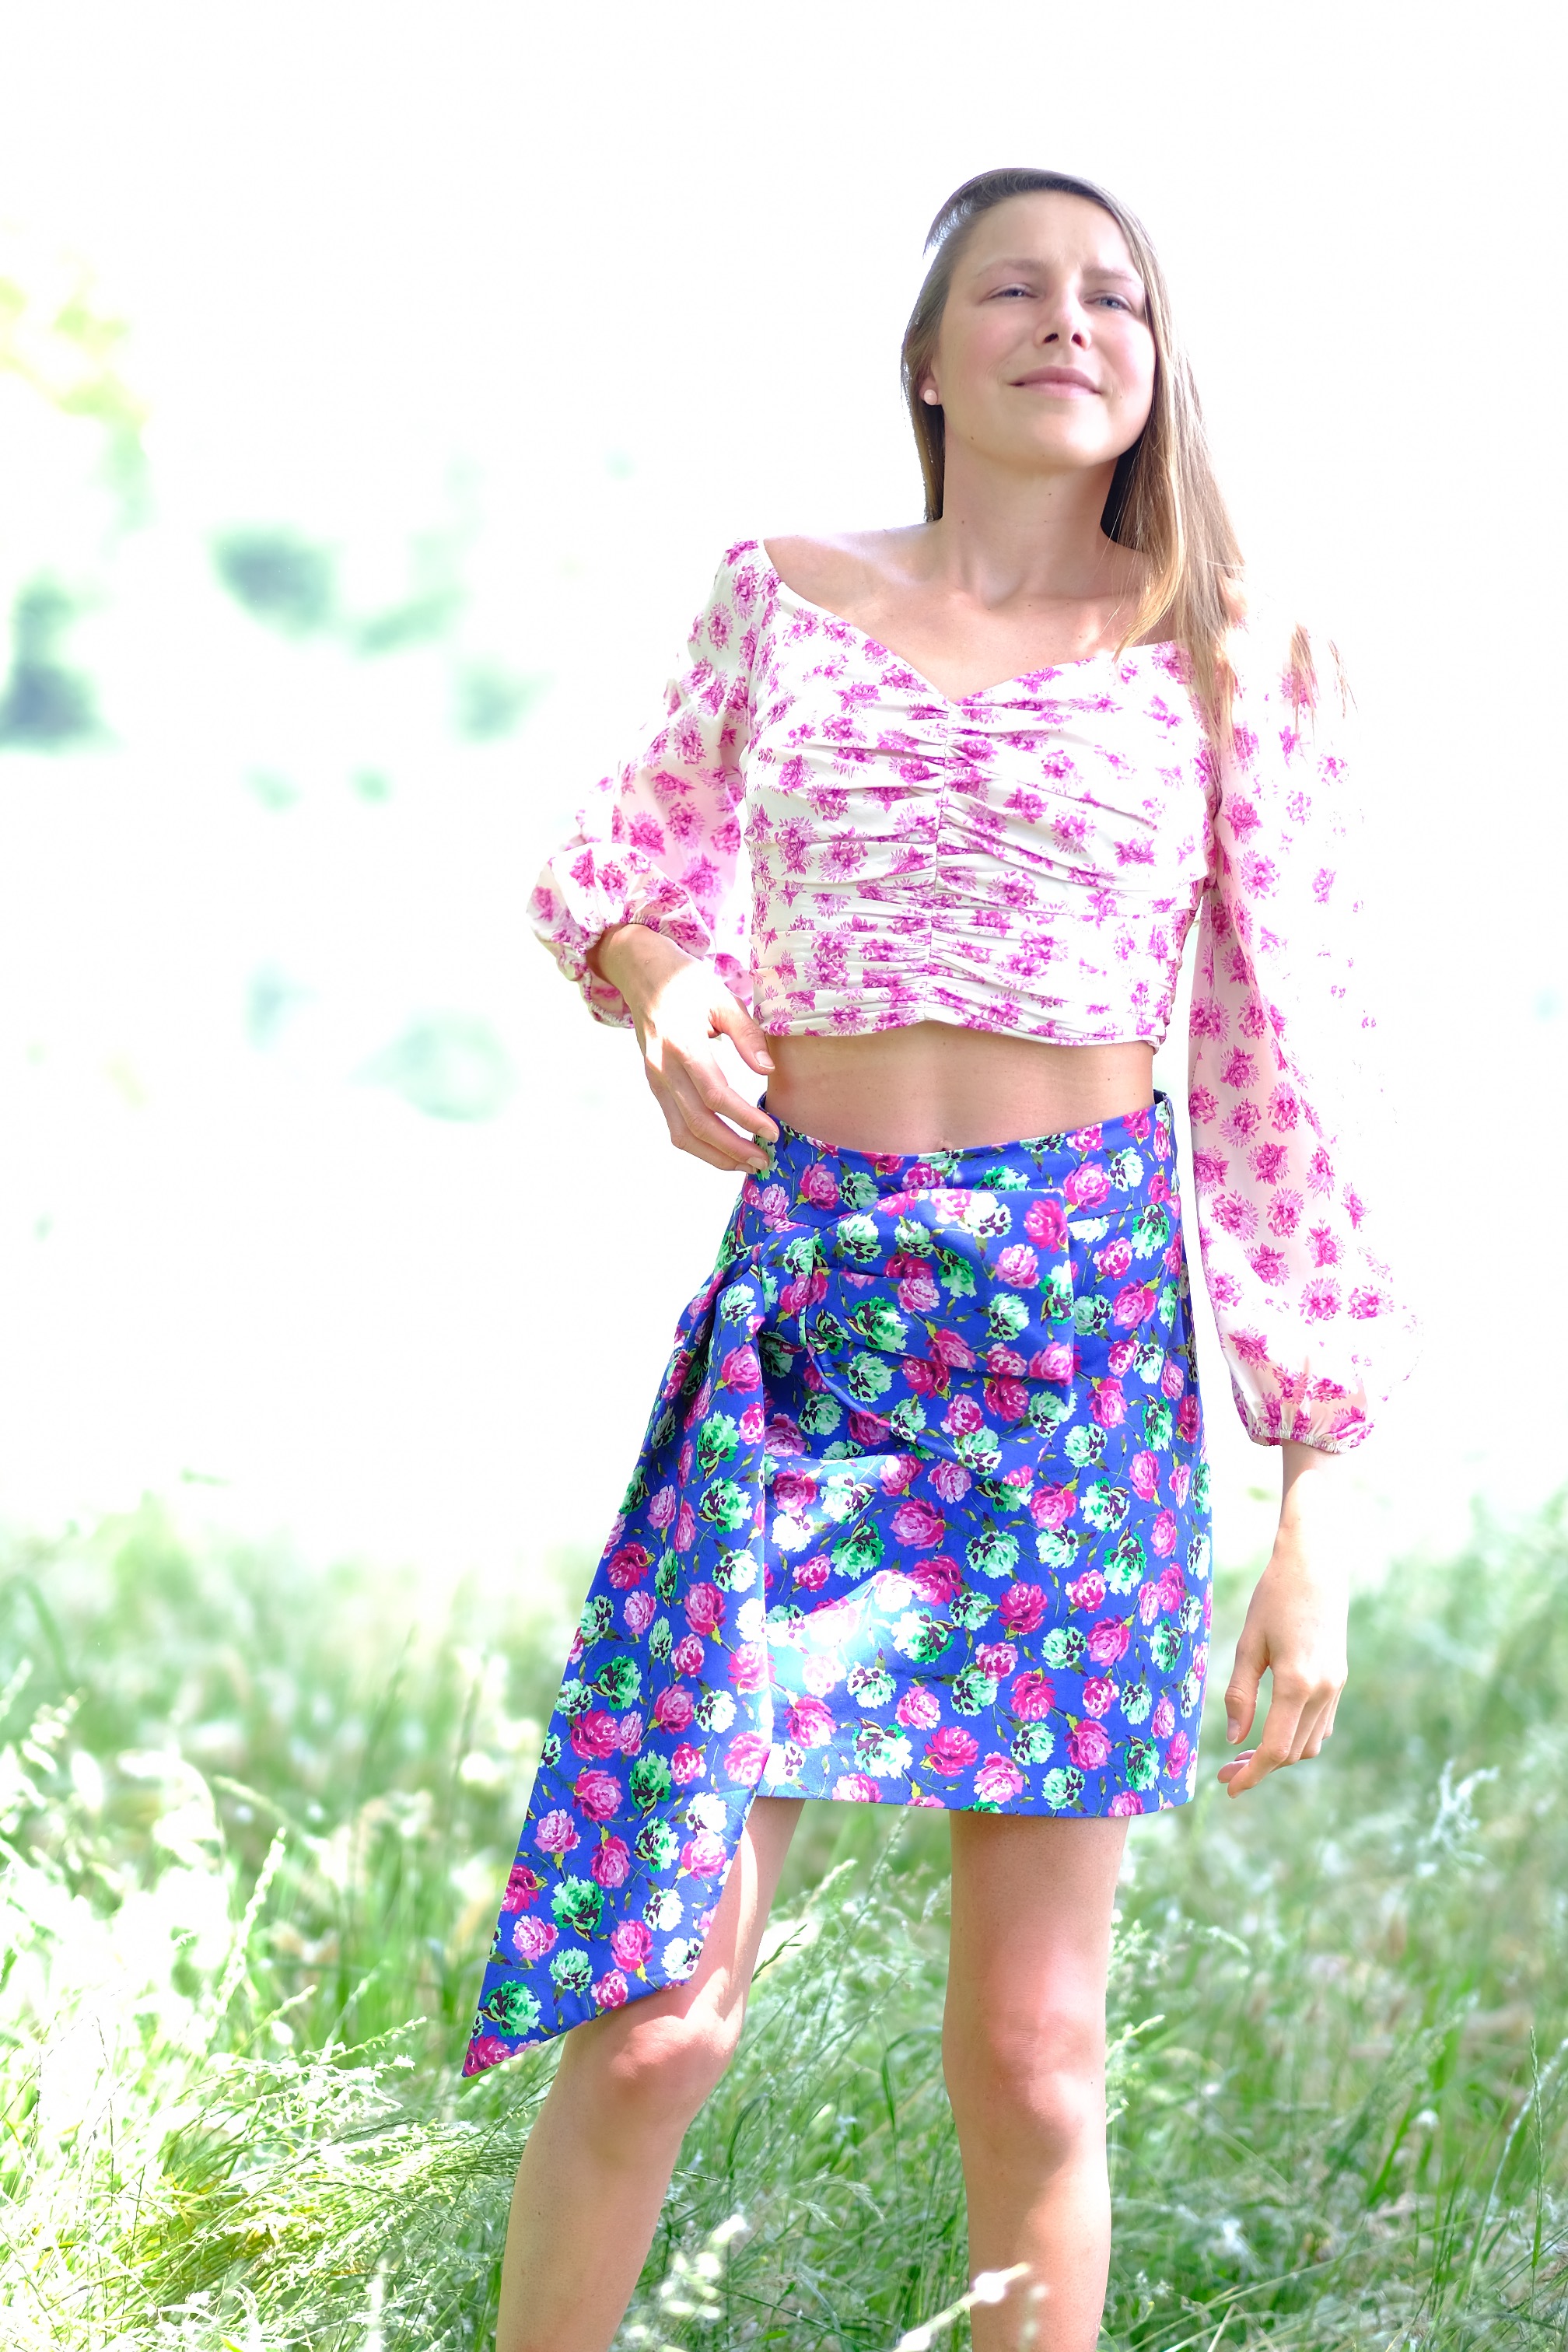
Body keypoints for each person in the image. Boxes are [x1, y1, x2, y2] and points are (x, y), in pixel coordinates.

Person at [465, 166, 1413, 2352]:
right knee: (658, 2017)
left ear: (1156, 364)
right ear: (927, 352)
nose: (1070, 321)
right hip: (812, 1326)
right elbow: (616, 863)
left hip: (1077, 1363)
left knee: (1034, 2054)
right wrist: (660, 989)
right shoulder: (782, 597)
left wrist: (1315, 1498)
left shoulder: (1230, 651)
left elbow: (1293, 1065)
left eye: (1115, 296)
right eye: (1016, 286)